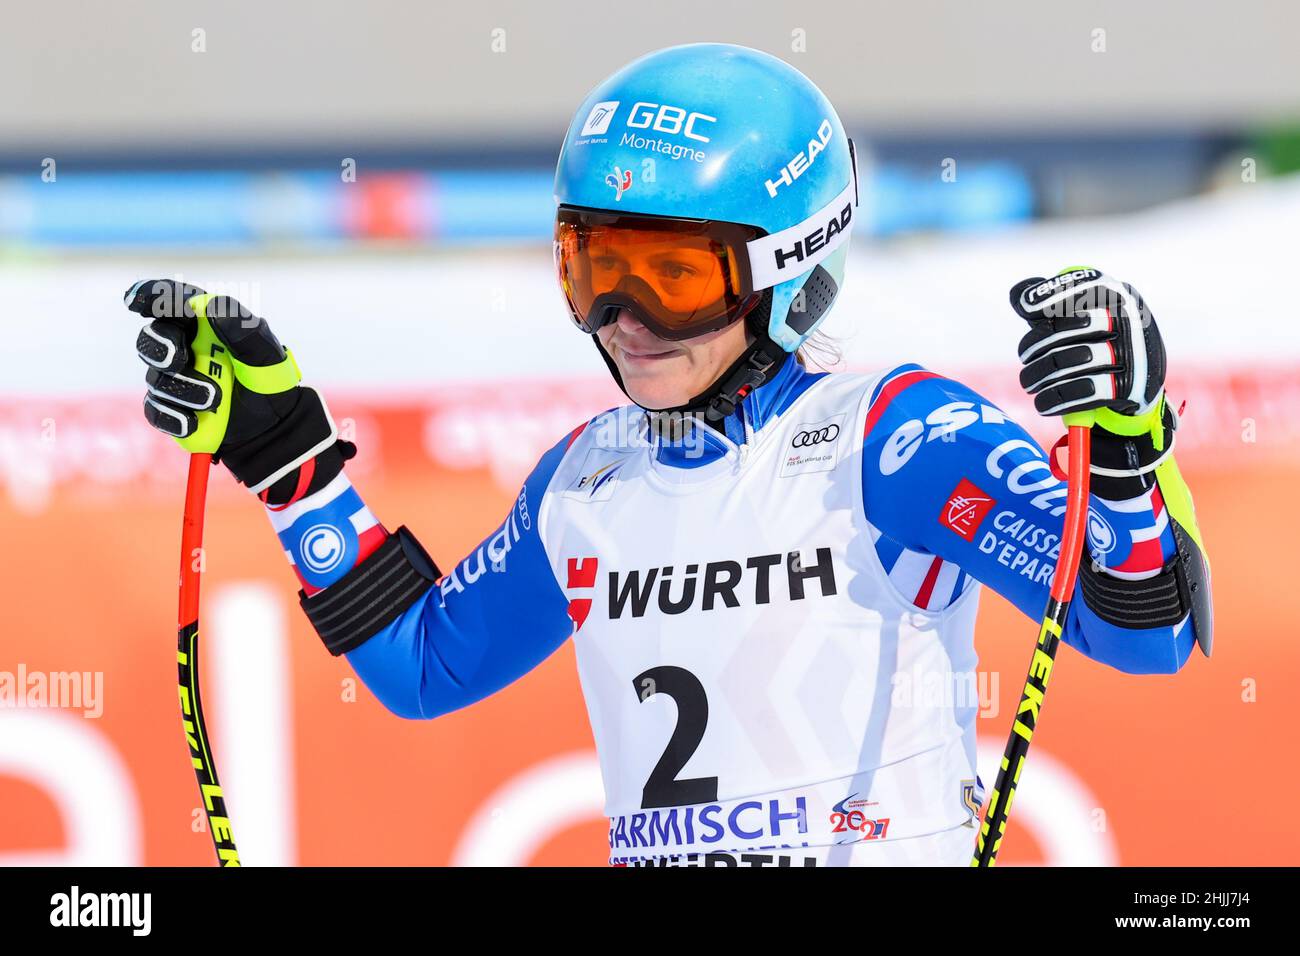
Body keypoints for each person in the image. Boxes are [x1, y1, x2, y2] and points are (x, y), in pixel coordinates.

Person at [124, 43, 1211, 867]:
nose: (625, 317)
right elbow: (422, 667)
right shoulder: (585, 481)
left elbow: (1146, 630)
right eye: (593, 265)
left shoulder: (894, 437)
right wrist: (287, 461)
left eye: (675, 276)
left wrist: (1122, 448)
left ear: (792, 270)